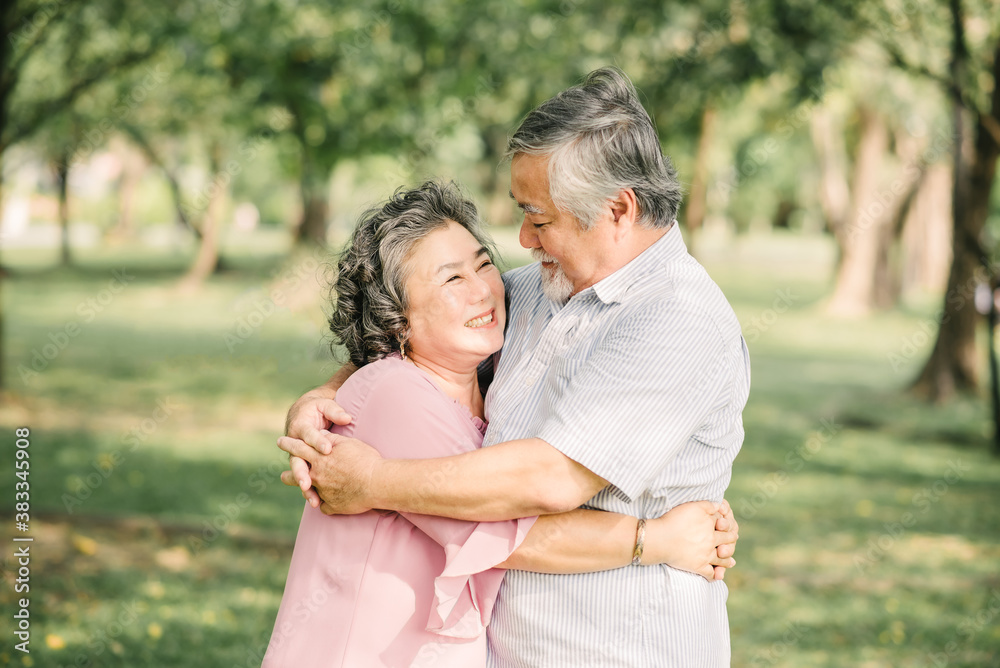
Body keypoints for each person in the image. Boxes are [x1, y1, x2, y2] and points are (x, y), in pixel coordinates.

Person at [279, 67, 750, 667]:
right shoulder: (534, 290)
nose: (523, 237)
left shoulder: (677, 320)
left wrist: (373, 484)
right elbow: (413, 332)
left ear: (619, 209)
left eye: (541, 216)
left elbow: (551, 479)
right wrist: (324, 396)